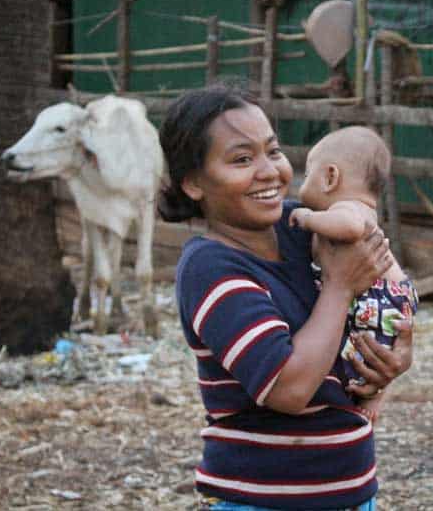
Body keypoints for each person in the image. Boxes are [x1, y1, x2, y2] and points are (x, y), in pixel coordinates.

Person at [158, 85, 413, 510]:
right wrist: (338, 286)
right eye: (241, 159)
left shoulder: (307, 228)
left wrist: (396, 353)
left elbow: (384, 284)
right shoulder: (210, 267)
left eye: (272, 151)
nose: (269, 171)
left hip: (353, 489)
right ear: (193, 183)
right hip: (263, 498)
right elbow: (288, 389)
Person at [288, 127, 418, 423]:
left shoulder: (347, 208)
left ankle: (370, 394)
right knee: (377, 347)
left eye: (308, 174)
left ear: (331, 177)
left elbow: (349, 227)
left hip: (377, 295)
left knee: (362, 350)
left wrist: (309, 219)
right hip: (391, 294)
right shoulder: (365, 209)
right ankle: (375, 394)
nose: (303, 184)